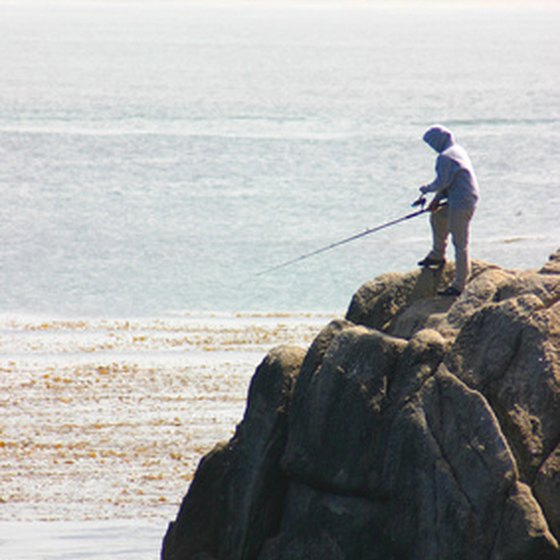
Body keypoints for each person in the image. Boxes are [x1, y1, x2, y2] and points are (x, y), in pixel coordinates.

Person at [417, 125, 479, 296]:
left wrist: (425, 189)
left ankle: (459, 285)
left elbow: (441, 183)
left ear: (439, 140)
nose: (432, 147)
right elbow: (449, 182)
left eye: (432, 143)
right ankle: (437, 254)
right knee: (437, 217)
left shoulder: (445, 157)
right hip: (459, 198)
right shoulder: (456, 150)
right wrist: (436, 201)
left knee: (460, 243)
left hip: (462, 202)